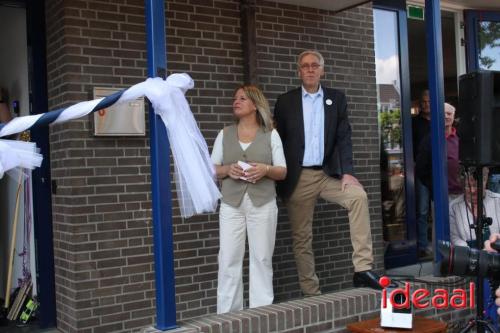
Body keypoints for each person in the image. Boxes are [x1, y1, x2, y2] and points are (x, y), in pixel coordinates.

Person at [273, 50, 380, 294]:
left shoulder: (336, 99)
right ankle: (311, 292)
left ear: (322, 70)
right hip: (299, 177)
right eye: (305, 66)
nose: (310, 69)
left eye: (314, 65)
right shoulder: (285, 101)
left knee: (358, 197)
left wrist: (348, 172)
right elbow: (277, 141)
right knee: (302, 238)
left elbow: (344, 137)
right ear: (298, 71)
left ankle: (363, 269)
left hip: (329, 174)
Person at [211, 84, 287, 313]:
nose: (236, 101)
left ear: (254, 104)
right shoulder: (224, 134)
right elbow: (212, 169)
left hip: (263, 203)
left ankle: (260, 315)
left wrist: (265, 169)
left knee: (262, 259)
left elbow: (282, 171)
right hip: (231, 205)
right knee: (227, 260)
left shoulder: (271, 134)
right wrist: (227, 170)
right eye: (235, 98)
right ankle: (227, 316)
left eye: (242, 98)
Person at [449, 167, 500, 247]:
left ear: (485, 181)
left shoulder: (498, 200)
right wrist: (471, 254)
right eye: (468, 186)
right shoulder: (453, 207)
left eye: (476, 185)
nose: (472, 190)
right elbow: (454, 237)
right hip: (468, 255)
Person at [412, 90, 432, 258]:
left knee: (441, 208)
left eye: (429, 101)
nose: (426, 104)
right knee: (423, 210)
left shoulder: (441, 121)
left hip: (440, 171)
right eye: (423, 102)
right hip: (421, 171)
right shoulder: (414, 123)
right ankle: (423, 246)